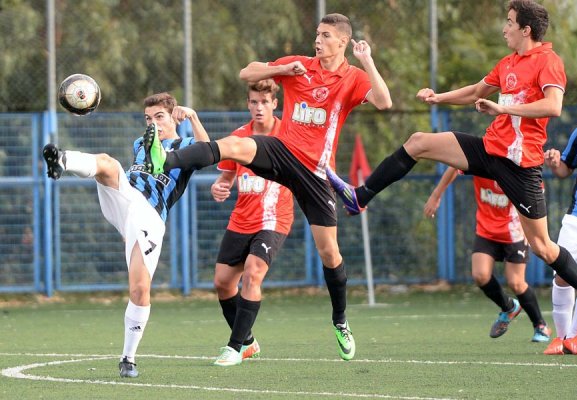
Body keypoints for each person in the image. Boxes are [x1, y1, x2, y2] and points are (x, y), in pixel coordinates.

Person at [326, 0, 577, 334]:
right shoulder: (508, 63)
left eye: (509, 22)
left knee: (542, 246)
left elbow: (553, 106)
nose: (504, 28)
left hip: (520, 165)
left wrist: (502, 109)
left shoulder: (549, 61)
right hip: (490, 149)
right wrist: (438, 97)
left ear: (526, 30)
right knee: (418, 141)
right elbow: (476, 91)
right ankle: (361, 196)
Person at [143, 13, 392, 361]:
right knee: (233, 145)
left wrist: (367, 60)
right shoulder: (299, 65)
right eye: (317, 34)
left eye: (325, 35)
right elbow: (247, 73)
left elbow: (384, 101)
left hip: (316, 173)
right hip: (282, 152)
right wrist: (283, 69)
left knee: (329, 253)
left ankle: (340, 320)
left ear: (343, 42)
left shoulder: (351, 77)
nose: (318, 40)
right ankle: (164, 161)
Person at [42, 93, 209, 377]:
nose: (153, 123)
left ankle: (128, 358)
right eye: (148, 118)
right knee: (107, 164)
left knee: (140, 289)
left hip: (149, 215)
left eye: (159, 117)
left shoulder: (186, 147)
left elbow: (207, 150)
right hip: (126, 197)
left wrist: (192, 116)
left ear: (174, 118)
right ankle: (62, 160)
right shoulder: (140, 143)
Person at [211, 79, 294, 366]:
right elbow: (226, 176)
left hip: (274, 218)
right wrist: (219, 186)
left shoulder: (289, 135)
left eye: (264, 102)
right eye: (254, 102)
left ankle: (234, 347)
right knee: (223, 283)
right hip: (241, 220)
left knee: (253, 272)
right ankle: (247, 342)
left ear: (275, 104)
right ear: (248, 104)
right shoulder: (239, 137)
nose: (259, 107)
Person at [424, 167, 551, 342]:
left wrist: (531, 228)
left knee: (516, 282)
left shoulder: (518, 168)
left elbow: (536, 194)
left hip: (515, 232)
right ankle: (509, 307)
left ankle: (540, 325)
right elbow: (453, 167)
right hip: (486, 231)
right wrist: (436, 195)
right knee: (480, 275)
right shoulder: (481, 163)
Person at [542, 120, 577, 355]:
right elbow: (564, 169)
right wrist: (555, 163)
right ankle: (560, 337)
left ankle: (575, 337)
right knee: (563, 278)